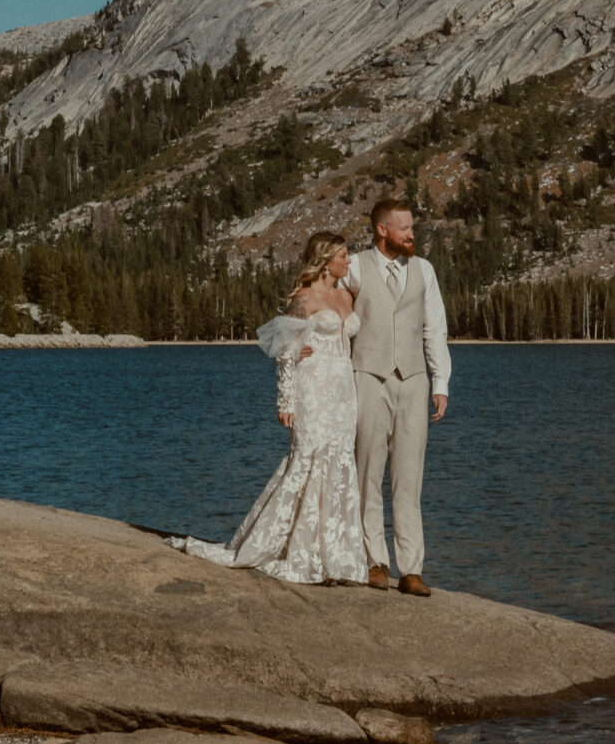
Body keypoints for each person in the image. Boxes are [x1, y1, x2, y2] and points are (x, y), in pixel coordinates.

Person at [166, 233, 372, 585]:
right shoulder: (302, 298)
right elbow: (283, 352)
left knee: (339, 461)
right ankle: (296, 551)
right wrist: (286, 400)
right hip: (313, 388)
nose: (349, 261)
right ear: (325, 260)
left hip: (343, 390)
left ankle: (339, 558)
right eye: (343, 255)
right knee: (307, 457)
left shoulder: (347, 295)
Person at [350, 197, 450, 596]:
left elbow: (434, 330)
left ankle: (411, 569)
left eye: (412, 228)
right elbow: (333, 310)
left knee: (409, 479)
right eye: (405, 228)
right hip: (367, 377)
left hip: (413, 381)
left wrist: (440, 382)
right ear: (382, 230)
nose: (412, 234)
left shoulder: (424, 270)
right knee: (367, 474)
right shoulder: (355, 266)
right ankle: (375, 561)